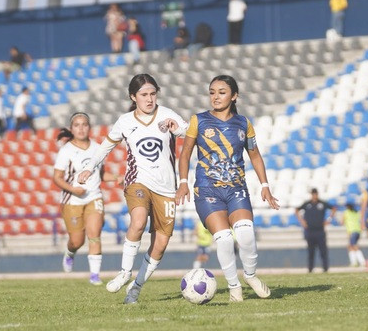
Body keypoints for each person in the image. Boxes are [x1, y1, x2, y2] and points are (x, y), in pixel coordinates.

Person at [77, 73, 188, 304]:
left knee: (161, 243)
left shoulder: (167, 114)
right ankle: (125, 271)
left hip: (167, 188)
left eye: (153, 94)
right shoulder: (126, 121)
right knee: (138, 222)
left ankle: (135, 288)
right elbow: (106, 146)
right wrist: (89, 167)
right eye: (144, 95)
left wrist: (177, 129)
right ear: (133, 96)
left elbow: (189, 132)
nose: (149, 99)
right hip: (137, 181)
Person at [176, 74, 278, 302]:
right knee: (223, 239)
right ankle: (235, 288)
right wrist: (182, 183)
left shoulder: (244, 123)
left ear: (234, 96)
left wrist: (265, 185)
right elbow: (185, 154)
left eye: (222, 92)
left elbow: (255, 154)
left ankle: (250, 276)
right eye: (212, 92)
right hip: (207, 190)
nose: (215, 96)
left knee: (245, 234)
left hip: (236, 190)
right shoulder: (198, 120)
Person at [54, 112, 121, 286]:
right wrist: (73, 190)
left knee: (94, 234)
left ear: (89, 127)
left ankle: (95, 275)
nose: (81, 128)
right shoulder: (66, 151)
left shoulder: (97, 148)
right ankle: (70, 253)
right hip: (72, 200)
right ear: (71, 129)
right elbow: (57, 177)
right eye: (77, 125)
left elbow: (100, 174)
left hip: (94, 197)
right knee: (77, 240)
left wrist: (116, 177)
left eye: (84, 124)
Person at [295, 188, 335, 273]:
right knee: (311, 251)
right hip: (310, 231)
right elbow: (297, 210)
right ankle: (310, 268)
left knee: (323, 251)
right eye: (313, 194)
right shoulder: (307, 204)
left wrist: (329, 219)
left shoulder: (322, 203)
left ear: (317, 194)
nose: (314, 196)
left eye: (315, 194)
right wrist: (302, 221)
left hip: (320, 230)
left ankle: (325, 268)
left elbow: (333, 208)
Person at [342, 202, 366, 267]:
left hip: (352, 231)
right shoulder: (356, 212)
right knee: (350, 246)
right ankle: (354, 262)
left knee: (354, 246)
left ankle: (362, 262)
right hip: (358, 231)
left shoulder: (346, 212)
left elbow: (342, 221)